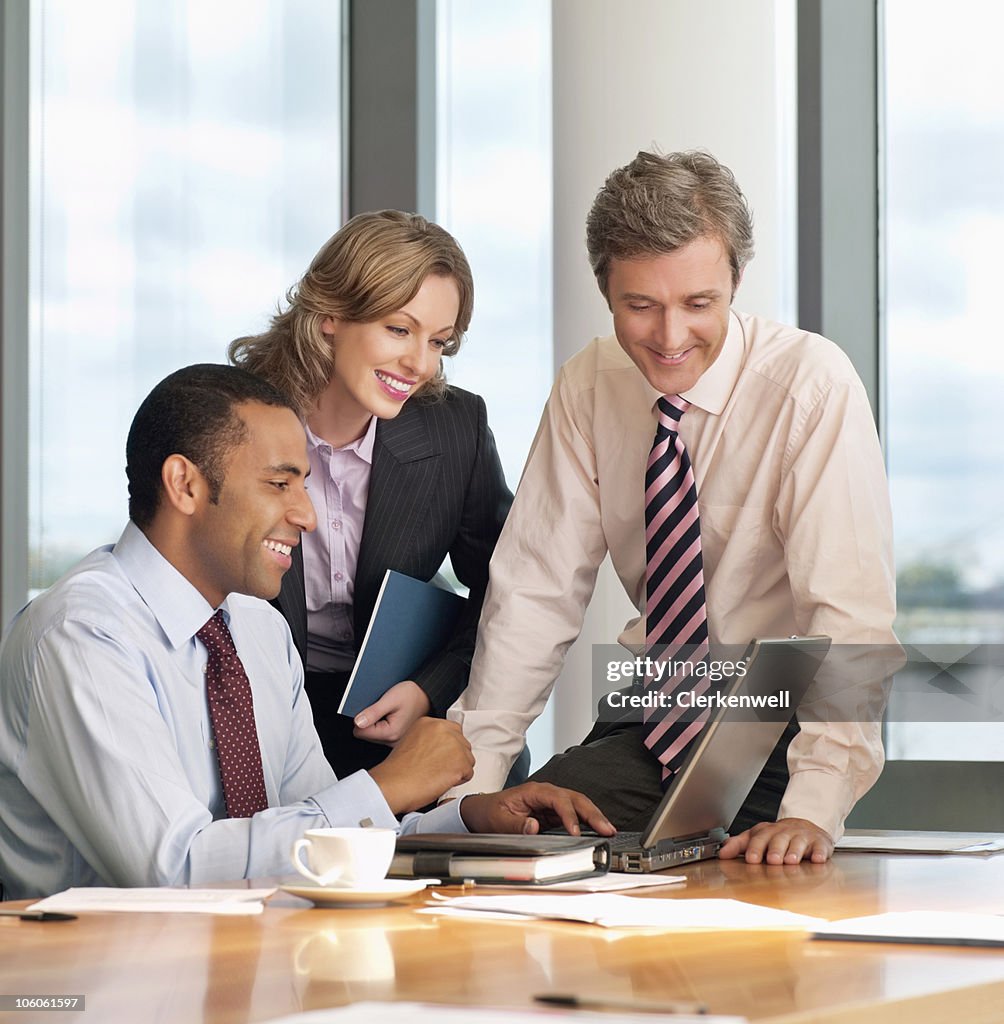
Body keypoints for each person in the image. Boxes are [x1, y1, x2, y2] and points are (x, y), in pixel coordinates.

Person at [0, 364, 611, 900]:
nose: (308, 514)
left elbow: (317, 831)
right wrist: (388, 785)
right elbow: (173, 869)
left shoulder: (258, 632)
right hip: (103, 979)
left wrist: (468, 820)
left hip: (245, 967)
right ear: (185, 484)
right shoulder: (82, 635)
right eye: (279, 483)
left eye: (306, 484)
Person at [447, 150, 897, 865]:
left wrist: (814, 809)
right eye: (640, 306)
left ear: (735, 283)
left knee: (580, 848)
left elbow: (849, 613)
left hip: (782, 714)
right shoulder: (589, 388)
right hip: (652, 708)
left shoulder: (810, 386)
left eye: (698, 303)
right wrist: (467, 792)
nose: (669, 337)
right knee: (526, 835)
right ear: (606, 291)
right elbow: (534, 592)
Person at [229, 211, 515, 780]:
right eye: (399, 329)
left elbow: (506, 583)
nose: (420, 364)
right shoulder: (235, 418)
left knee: (486, 778)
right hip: (256, 702)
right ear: (330, 314)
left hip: (386, 703)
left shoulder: (454, 426)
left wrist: (429, 689)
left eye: (439, 342)